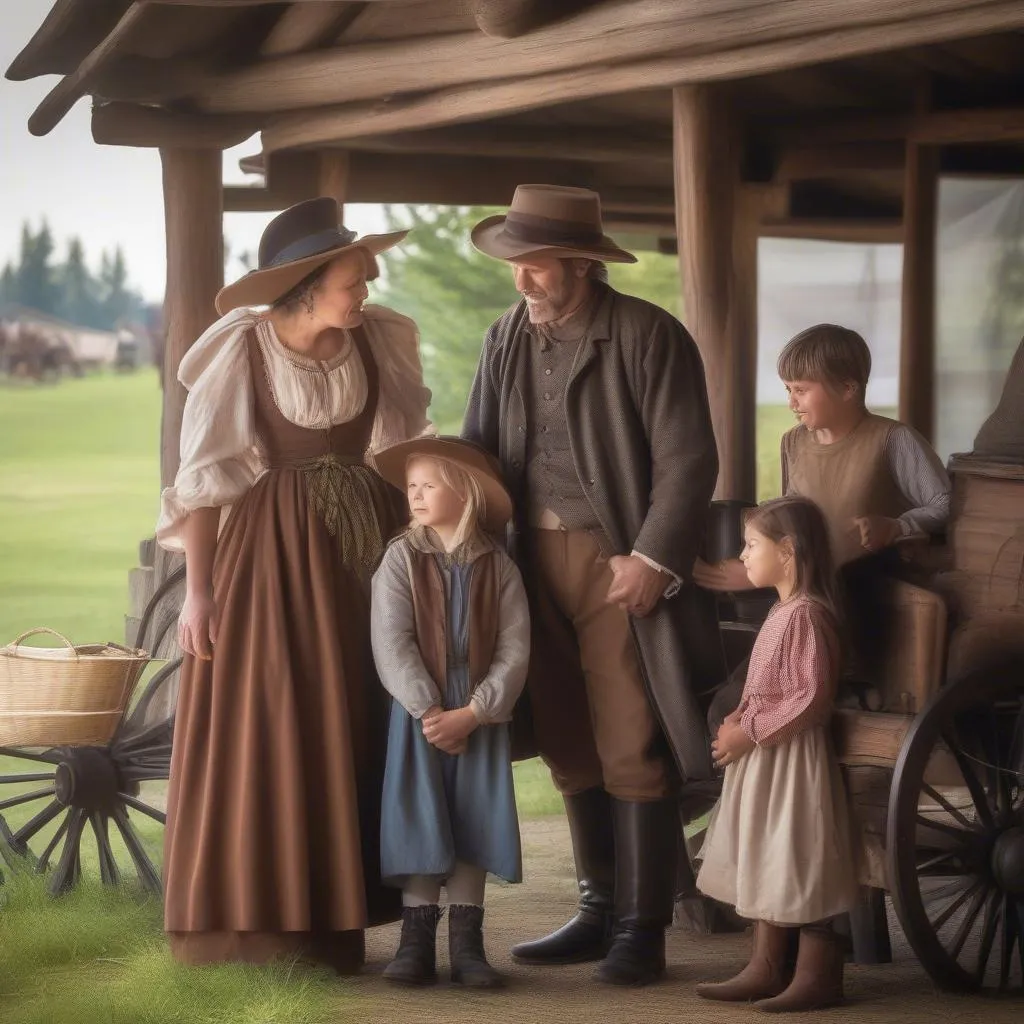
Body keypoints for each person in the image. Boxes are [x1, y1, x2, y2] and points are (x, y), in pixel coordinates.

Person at [155, 197, 431, 969]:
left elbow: (405, 448)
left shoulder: (381, 340)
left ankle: (338, 921)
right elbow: (205, 483)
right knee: (272, 715)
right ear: (307, 284)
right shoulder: (241, 350)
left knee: (354, 716)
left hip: (366, 555)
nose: (367, 288)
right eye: (354, 277)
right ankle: (254, 928)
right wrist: (200, 593)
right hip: (271, 558)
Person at [463, 184, 725, 986]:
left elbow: (689, 460)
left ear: (580, 262)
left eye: (535, 265)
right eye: (515, 265)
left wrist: (651, 558)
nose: (522, 281)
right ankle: (595, 907)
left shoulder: (648, 334)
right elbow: (478, 443)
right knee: (569, 740)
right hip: (524, 563)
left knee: (629, 737)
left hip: (617, 563)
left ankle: (641, 930)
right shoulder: (504, 335)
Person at [694, 324, 950, 716]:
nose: (792, 403)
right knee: (732, 696)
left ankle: (846, 684)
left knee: (851, 578)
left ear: (848, 388)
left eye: (801, 390)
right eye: (787, 390)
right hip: (808, 591)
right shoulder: (793, 443)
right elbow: (791, 524)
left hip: (869, 589)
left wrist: (897, 526)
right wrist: (753, 564)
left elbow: (944, 502)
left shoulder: (892, 439)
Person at [369, 436, 530, 988]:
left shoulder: (498, 567)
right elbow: (392, 639)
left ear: (464, 493)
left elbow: (514, 647)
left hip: (478, 711)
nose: (414, 495)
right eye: (410, 486)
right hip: (421, 711)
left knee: (472, 815)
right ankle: (415, 944)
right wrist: (430, 709)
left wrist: (476, 711)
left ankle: (468, 947)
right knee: (422, 813)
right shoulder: (400, 559)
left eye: (428, 485)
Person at [695, 496, 858, 1012]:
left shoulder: (807, 615)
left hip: (789, 758)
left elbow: (809, 696)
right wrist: (738, 717)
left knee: (791, 853)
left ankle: (817, 975)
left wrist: (752, 731)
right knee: (764, 851)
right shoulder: (782, 610)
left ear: (787, 551)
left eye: (750, 545)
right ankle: (765, 966)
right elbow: (764, 684)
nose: (742, 556)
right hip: (767, 753)